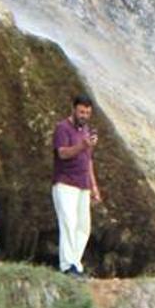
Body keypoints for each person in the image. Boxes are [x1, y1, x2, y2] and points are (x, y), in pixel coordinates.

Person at [52, 94, 101, 278]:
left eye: (87, 112)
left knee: (83, 227)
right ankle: (67, 265)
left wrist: (94, 186)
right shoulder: (62, 128)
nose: (84, 115)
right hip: (65, 183)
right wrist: (82, 145)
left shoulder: (86, 130)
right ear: (73, 109)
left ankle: (76, 264)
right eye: (81, 111)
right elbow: (62, 153)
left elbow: (88, 161)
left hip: (83, 185)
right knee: (69, 223)